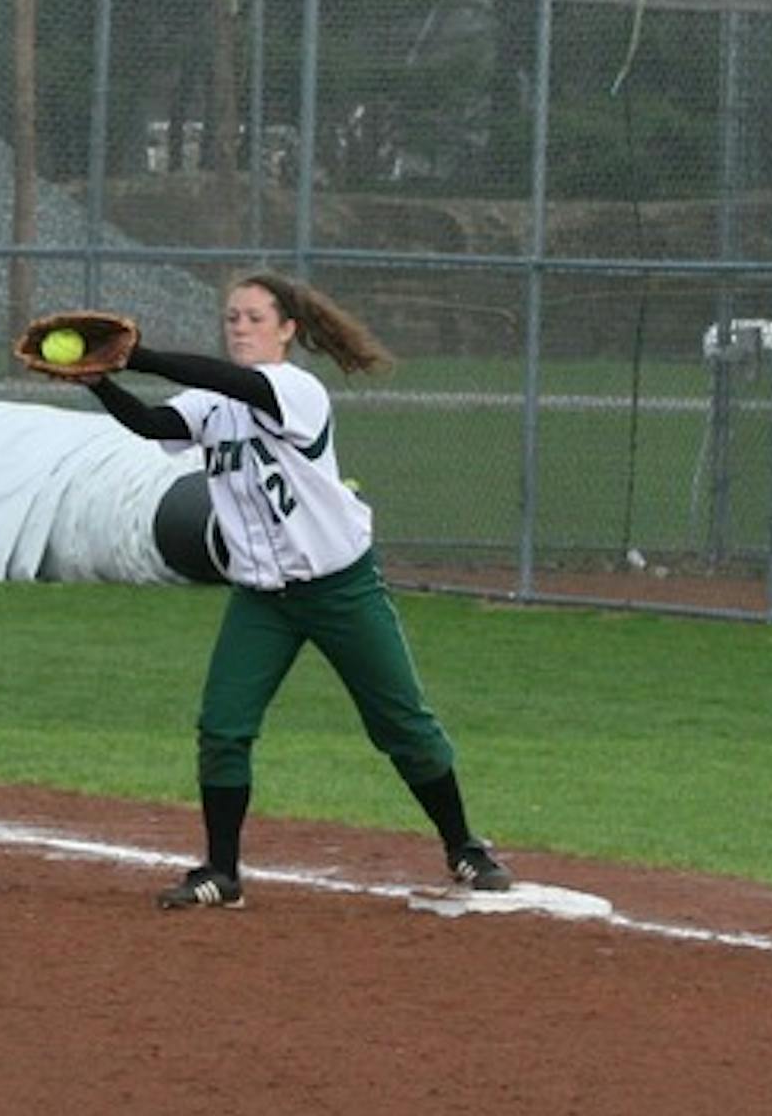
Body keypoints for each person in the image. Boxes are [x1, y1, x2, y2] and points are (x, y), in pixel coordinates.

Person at [79, 271, 511, 908]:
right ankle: (221, 873)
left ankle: (465, 847)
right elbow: (150, 424)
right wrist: (100, 380)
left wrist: (136, 354)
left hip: (340, 587)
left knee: (400, 722)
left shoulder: (295, 389)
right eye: (232, 318)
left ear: (288, 330)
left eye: (256, 317)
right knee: (224, 726)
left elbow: (238, 383)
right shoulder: (211, 405)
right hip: (261, 598)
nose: (242, 328)